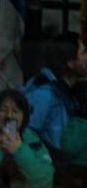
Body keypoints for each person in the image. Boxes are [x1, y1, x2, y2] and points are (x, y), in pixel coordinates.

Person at [22, 32, 87, 166]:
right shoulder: (43, 94)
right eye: (83, 53)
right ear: (70, 63)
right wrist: (54, 158)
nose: (86, 57)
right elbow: (25, 135)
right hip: (49, 169)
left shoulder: (71, 92)